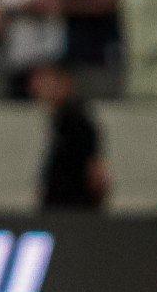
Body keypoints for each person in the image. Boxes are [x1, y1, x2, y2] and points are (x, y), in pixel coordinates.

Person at [34, 62, 107, 209]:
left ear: (66, 83)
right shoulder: (61, 119)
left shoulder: (76, 119)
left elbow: (95, 171)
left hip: (72, 206)